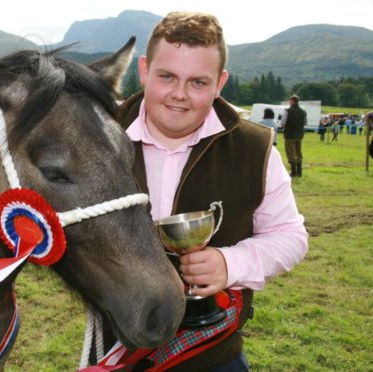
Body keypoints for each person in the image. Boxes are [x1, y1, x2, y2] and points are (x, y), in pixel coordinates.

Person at [114, 11, 308, 371]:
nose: (179, 95)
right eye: (167, 76)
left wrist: (229, 263)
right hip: (118, 348)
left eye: (198, 82)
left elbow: (291, 237)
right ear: (143, 70)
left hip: (213, 353)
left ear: (220, 83)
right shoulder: (98, 140)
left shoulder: (255, 148)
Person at [280, 95, 307, 177]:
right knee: (298, 152)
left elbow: (282, 123)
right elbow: (305, 123)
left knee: (291, 153)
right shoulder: (303, 112)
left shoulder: (288, 111)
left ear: (292, 101)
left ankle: (293, 172)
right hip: (300, 134)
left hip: (290, 135)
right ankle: (299, 172)